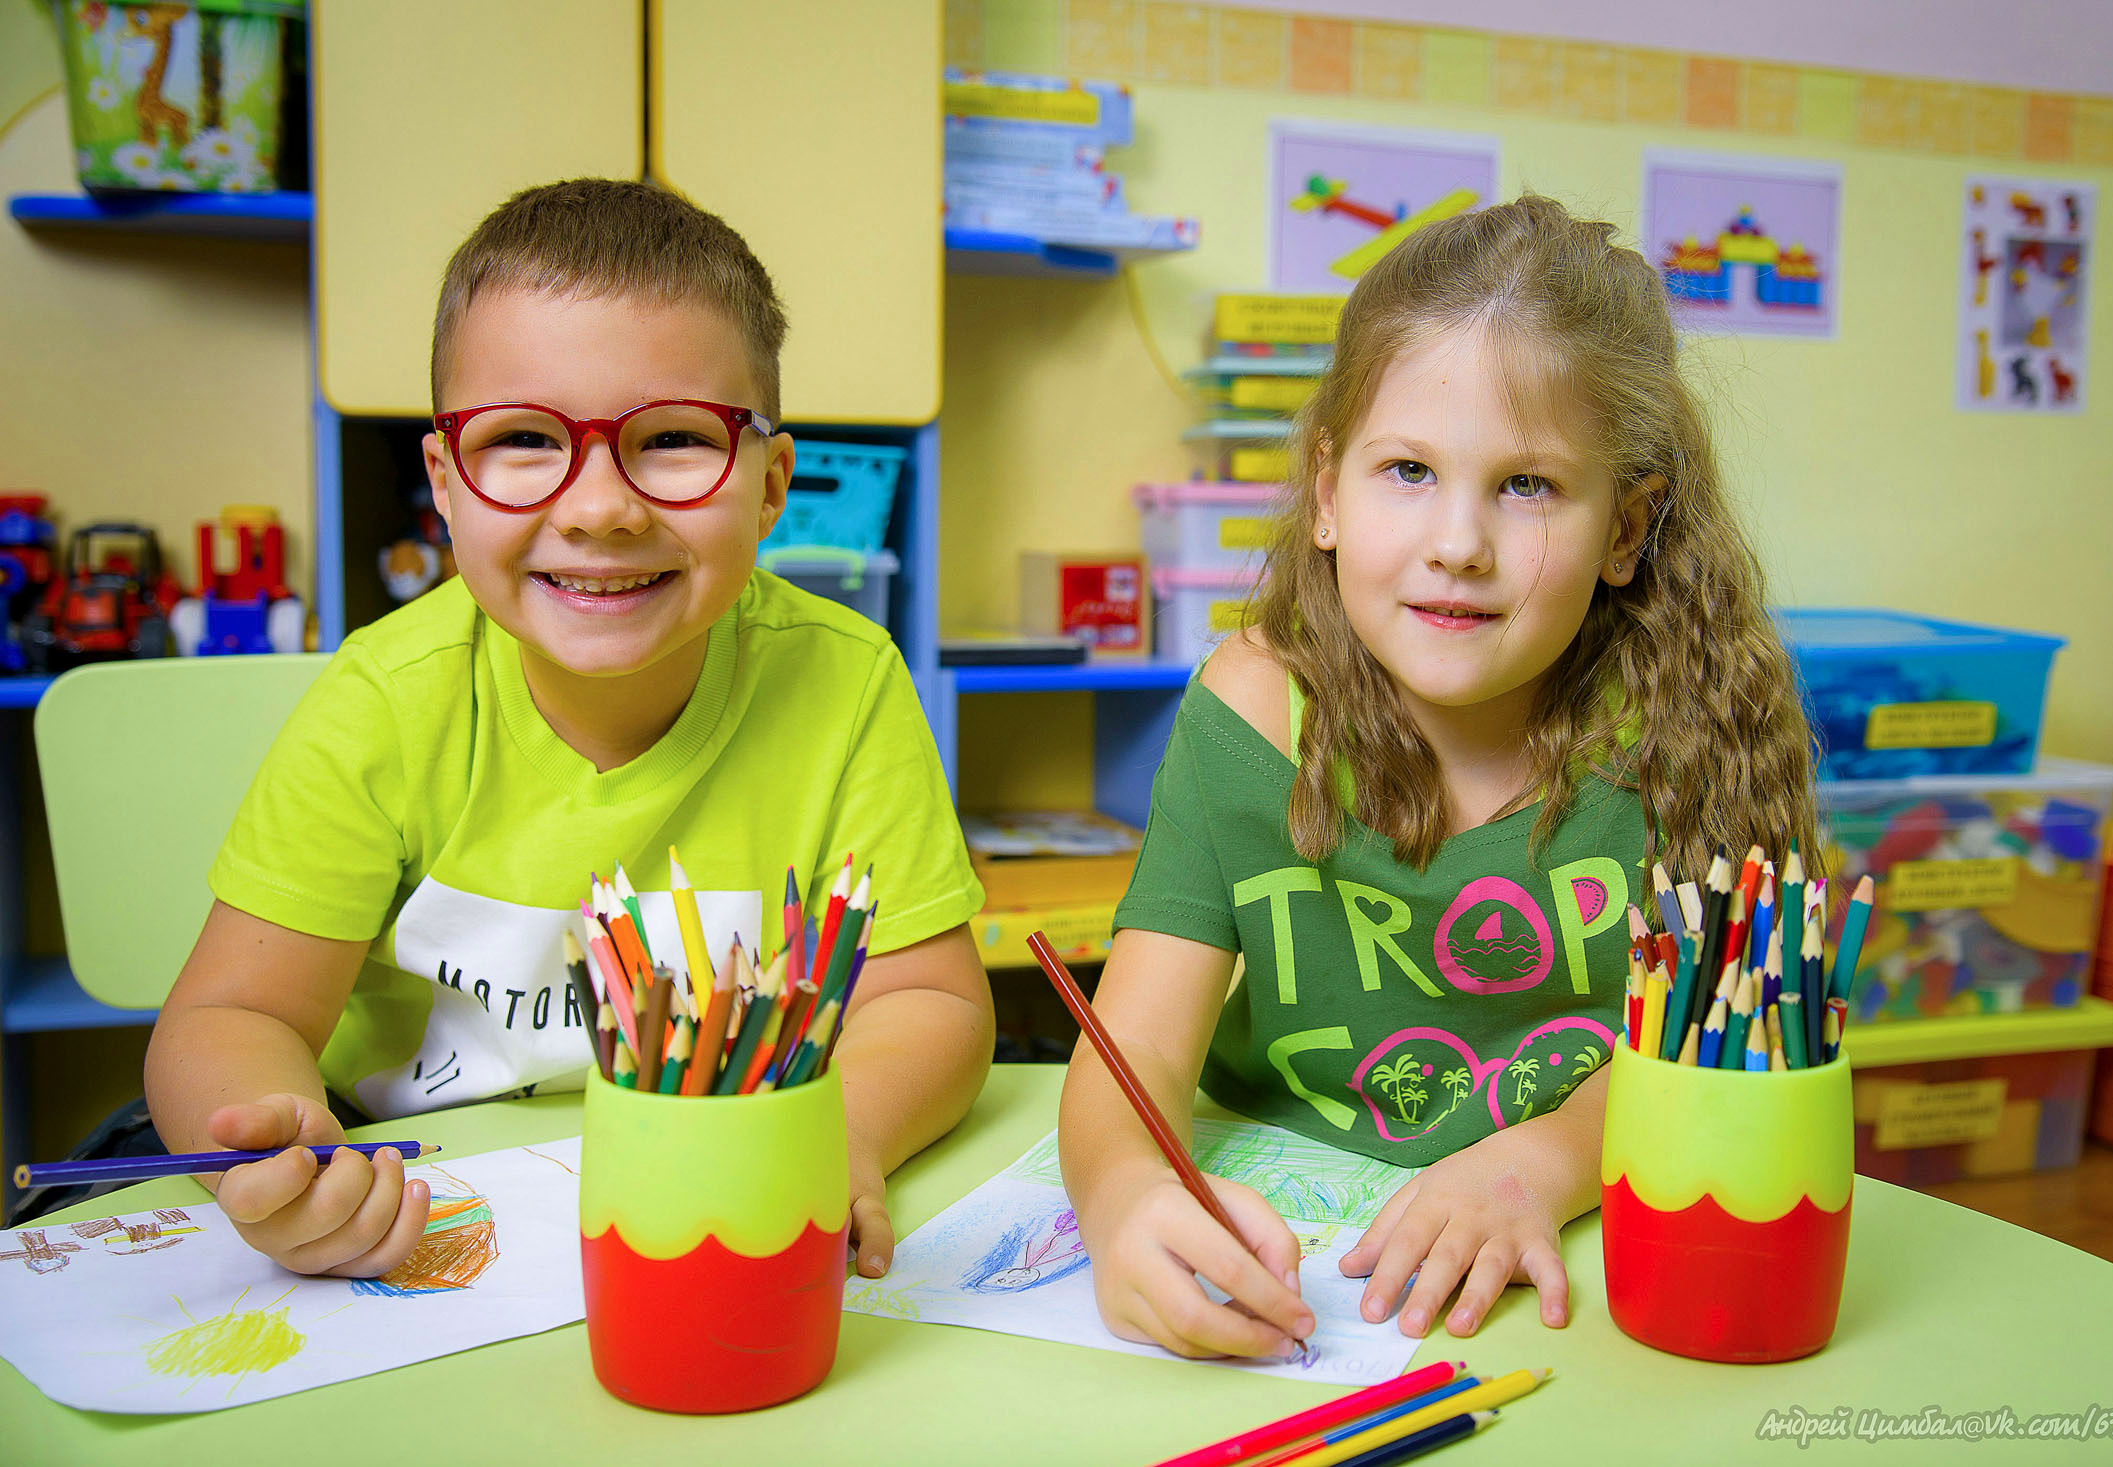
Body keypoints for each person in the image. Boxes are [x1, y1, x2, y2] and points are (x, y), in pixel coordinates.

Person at [144, 179, 992, 1281]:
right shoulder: (387, 699)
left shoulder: (847, 678)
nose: (599, 509)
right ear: (446, 483)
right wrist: (282, 1159)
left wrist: (840, 1138)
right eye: (525, 439)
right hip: (423, 1208)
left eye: (675, 438)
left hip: (727, 1202)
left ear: (771, 484)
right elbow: (230, 1016)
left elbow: (926, 1001)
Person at [1059, 195, 1818, 1360]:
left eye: (1527, 486)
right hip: (1291, 1251)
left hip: (1583, 1251)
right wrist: (1122, 1202)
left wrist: (1538, 1164)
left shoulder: (1693, 723)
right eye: (1407, 469)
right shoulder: (1249, 713)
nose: (1457, 543)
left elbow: (1720, 1055)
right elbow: (1137, 1050)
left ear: (1626, 528)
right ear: (1327, 494)